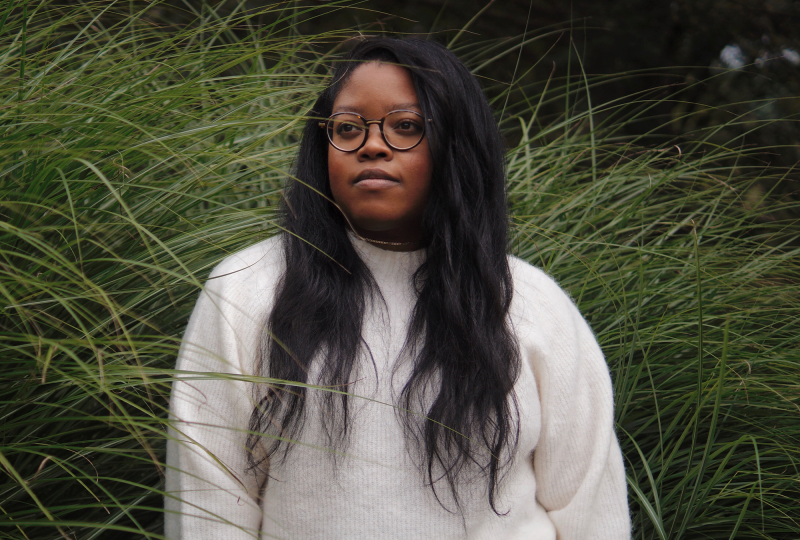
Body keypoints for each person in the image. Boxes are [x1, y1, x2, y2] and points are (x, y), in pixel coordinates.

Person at [165, 37, 631, 540]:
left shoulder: (531, 305)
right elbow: (209, 505)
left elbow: (588, 509)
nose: (372, 144)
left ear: (456, 144)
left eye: (405, 126)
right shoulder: (246, 289)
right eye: (346, 128)